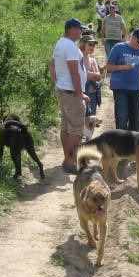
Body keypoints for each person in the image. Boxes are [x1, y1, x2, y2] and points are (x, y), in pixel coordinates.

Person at [50, 18, 88, 174]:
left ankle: (67, 159)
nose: (81, 32)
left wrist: (57, 82)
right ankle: (70, 161)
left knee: (66, 127)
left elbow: (51, 65)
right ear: (72, 29)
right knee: (77, 130)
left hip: (64, 90)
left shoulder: (60, 43)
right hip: (72, 94)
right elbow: (74, 72)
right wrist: (80, 94)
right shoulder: (70, 46)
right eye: (79, 29)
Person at [107, 28, 139, 131]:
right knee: (122, 119)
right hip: (120, 88)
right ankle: (120, 144)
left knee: (136, 120)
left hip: (136, 89)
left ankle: (132, 145)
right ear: (133, 37)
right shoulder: (118, 48)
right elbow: (108, 67)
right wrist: (123, 67)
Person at [79, 34, 102, 116]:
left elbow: (99, 77)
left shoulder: (92, 60)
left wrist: (87, 74)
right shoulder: (77, 58)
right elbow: (80, 75)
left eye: (93, 45)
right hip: (81, 93)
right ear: (83, 44)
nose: (92, 47)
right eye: (90, 44)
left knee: (91, 120)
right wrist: (91, 75)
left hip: (93, 94)